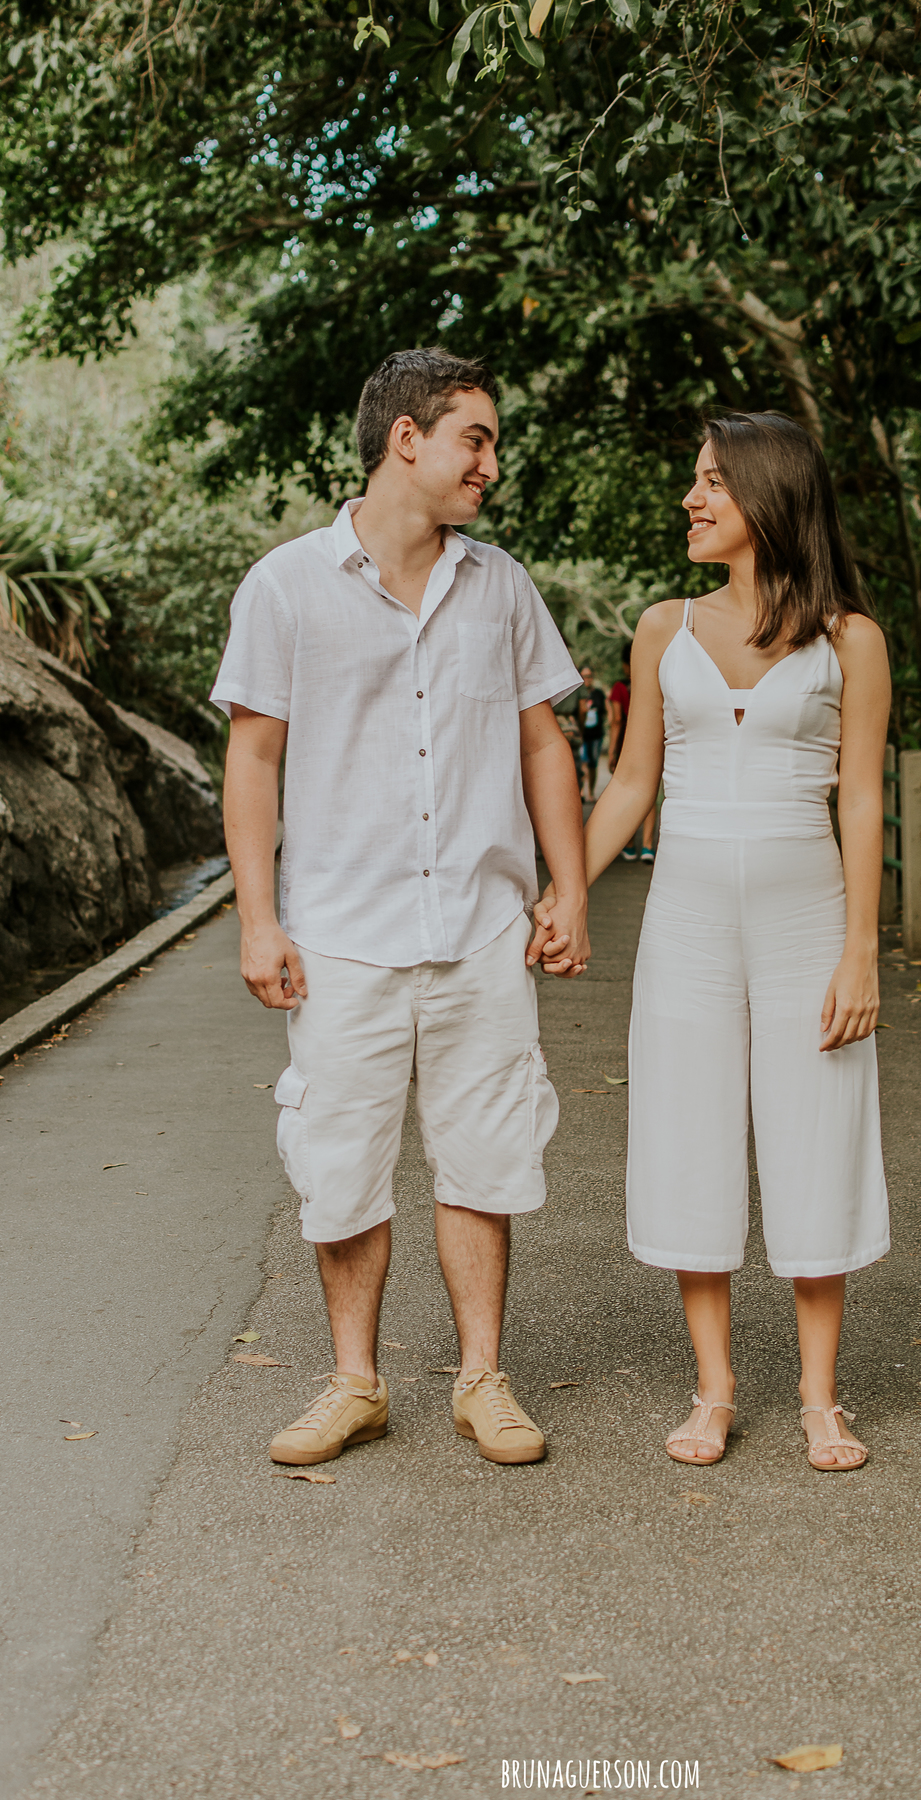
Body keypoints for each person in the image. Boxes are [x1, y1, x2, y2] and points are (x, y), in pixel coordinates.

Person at [213, 347, 589, 1471]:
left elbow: (540, 740)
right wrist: (256, 918)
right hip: (339, 934)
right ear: (405, 439)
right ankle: (355, 1384)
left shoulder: (503, 586)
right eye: (474, 437)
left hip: (480, 928)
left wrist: (566, 888)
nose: (491, 462)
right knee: (341, 1163)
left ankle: (483, 1380)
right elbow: (255, 761)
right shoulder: (284, 585)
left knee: (486, 1157)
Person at [539, 411, 890, 1470]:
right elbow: (633, 780)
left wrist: (861, 951)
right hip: (685, 919)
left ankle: (822, 1399)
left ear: (768, 494)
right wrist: (567, 891)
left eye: (711, 482)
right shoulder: (663, 627)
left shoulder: (851, 641)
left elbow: (864, 802)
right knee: (691, 1130)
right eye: (693, 480)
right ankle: (715, 1388)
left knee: (816, 1130)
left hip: (807, 919)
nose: (692, 499)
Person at [608, 644, 657, 863]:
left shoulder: (620, 687)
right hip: (652, 739)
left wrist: (611, 751)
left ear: (625, 664)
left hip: (628, 741)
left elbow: (617, 720)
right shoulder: (652, 683)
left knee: (628, 789)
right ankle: (647, 846)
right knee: (651, 792)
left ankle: (628, 846)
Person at [574, 666, 608, 802]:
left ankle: (591, 792)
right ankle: (580, 791)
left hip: (596, 735)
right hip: (581, 734)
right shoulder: (576, 693)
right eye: (584, 676)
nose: (587, 679)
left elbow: (606, 710)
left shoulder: (598, 693)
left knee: (593, 764)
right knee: (582, 762)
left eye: (589, 676)